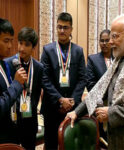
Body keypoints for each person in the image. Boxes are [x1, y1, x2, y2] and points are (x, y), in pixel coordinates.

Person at [66, 14, 124, 150]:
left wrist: (111, 113)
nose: (110, 42)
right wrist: (77, 112)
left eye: (115, 36)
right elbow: (100, 90)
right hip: (115, 139)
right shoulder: (121, 58)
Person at [41, 12, 86, 150]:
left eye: (65, 27)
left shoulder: (78, 51)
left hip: (72, 108)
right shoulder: (47, 50)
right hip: (52, 107)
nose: (62, 30)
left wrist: (72, 100)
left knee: (71, 144)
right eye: (59, 27)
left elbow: (82, 78)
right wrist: (60, 99)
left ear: (71, 29)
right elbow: (44, 78)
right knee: (51, 144)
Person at [6, 27, 43, 150]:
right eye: (20, 43)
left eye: (26, 45)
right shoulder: (7, 63)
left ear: (33, 48)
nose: (21, 48)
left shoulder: (39, 67)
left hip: (30, 119)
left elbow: (37, 94)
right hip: (12, 120)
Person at [0, 18, 27, 143]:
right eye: (6, 41)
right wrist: (16, 84)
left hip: (10, 133)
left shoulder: (4, 64)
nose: (10, 46)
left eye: (11, 41)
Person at [86, 29, 112, 148]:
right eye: (102, 40)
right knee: (102, 140)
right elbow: (90, 84)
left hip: (115, 107)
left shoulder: (118, 58)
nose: (104, 43)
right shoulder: (93, 59)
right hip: (100, 106)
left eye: (107, 40)